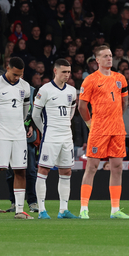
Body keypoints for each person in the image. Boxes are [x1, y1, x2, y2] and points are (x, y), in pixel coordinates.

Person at [78, 45, 129, 219]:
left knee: (117, 168)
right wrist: (89, 123)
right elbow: (81, 106)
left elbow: (124, 103)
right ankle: (84, 208)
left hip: (117, 129)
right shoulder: (91, 80)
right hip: (98, 129)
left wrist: (115, 118)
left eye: (110, 55)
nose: (110, 58)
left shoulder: (120, 78)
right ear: (97, 60)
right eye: (105, 56)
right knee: (92, 167)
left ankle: (115, 210)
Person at [0, 57, 32, 220]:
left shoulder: (25, 87)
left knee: (20, 171)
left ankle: (19, 210)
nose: (18, 78)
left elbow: (25, 111)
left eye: (20, 75)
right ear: (7, 68)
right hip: (0, 135)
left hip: (18, 136)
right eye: (15, 74)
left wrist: (19, 125)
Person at [32, 59, 79, 219]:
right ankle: (42, 210)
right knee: (43, 170)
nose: (67, 75)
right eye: (64, 72)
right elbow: (35, 115)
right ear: (55, 71)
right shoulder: (45, 90)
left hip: (66, 136)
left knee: (66, 171)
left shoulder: (72, 91)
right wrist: (45, 130)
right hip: (50, 136)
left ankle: (63, 210)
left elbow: (71, 112)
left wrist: (64, 125)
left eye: (68, 72)